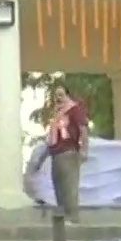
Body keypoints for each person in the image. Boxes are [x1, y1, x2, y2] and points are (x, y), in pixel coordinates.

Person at [44, 85, 88, 223]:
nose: (58, 98)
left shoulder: (74, 110)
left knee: (69, 187)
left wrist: (84, 149)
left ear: (68, 96)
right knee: (59, 188)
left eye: (61, 95)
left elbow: (83, 129)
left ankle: (73, 218)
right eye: (56, 95)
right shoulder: (56, 114)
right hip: (56, 154)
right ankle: (63, 219)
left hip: (69, 152)